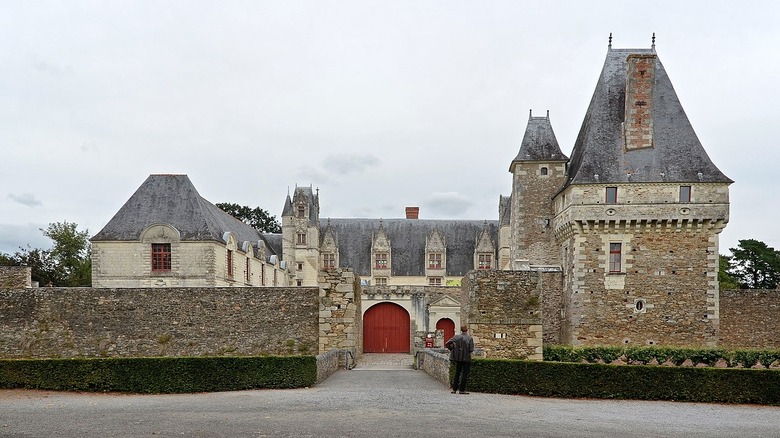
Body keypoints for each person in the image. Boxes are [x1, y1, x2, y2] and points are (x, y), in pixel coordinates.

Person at [445, 325, 474, 394]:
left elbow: (447, 343)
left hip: (458, 358)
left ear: (461, 330)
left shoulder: (456, 337)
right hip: (466, 358)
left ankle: (454, 389)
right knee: (464, 374)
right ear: (467, 330)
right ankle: (462, 390)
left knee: (457, 373)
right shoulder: (469, 338)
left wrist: (452, 349)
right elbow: (471, 349)